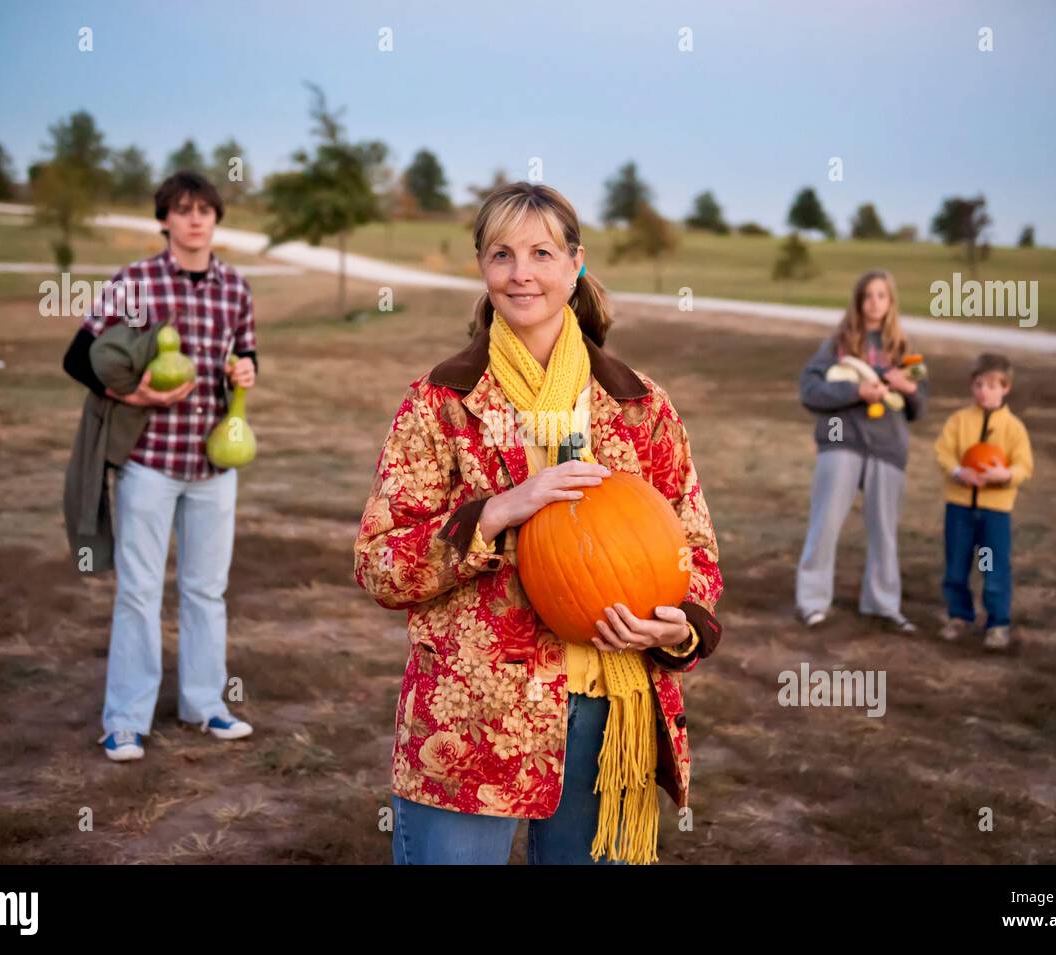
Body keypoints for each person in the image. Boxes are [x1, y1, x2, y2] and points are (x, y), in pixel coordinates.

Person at [353, 182, 723, 864]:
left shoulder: (640, 406)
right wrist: (495, 513)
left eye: (542, 252)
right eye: (502, 254)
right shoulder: (443, 403)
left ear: (575, 264)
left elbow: (695, 554)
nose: (521, 272)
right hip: (472, 721)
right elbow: (379, 561)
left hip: (610, 716)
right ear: (482, 268)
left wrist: (682, 626)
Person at [62, 171, 258, 761]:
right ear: (165, 219)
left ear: (216, 219)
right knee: (139, 592)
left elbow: (244, 355)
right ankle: (124, 720)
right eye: (182, 209)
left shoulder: (236, 288)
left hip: (214, 470)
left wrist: (245, 371)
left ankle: (206, 705)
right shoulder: (135, 281)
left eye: (205, 209)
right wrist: (134, 396)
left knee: (206, 591)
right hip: (148, 464)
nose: (195, 219)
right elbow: (78, 357)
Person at [795, 269, 928, 632]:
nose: (874, 302)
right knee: (825, 524)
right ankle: (812, 601)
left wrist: (910, 389)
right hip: (842, 441)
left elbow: (920, 406)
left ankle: (883, 604)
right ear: (858, 300)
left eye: (881, 295)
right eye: (868, 295)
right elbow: (810, 390)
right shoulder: (838, 343)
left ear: (891, 301)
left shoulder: (906, 348)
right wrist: (856, 393)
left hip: (888, 448)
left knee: (884, 530)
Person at [934, 353, 1035, 650]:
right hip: (960, 509)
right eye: (979, 385)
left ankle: (997, 623)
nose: (984, 392)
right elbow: (943, 452)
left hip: (994, 514)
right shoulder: (959, 421)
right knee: (956, 565)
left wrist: (1005, 475)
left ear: (1006, 388)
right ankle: (959, 616)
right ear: (971, 386)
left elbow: (1024, 466)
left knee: (992, 568)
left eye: (992, 385)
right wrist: (958, 471)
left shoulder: (1014, 428)